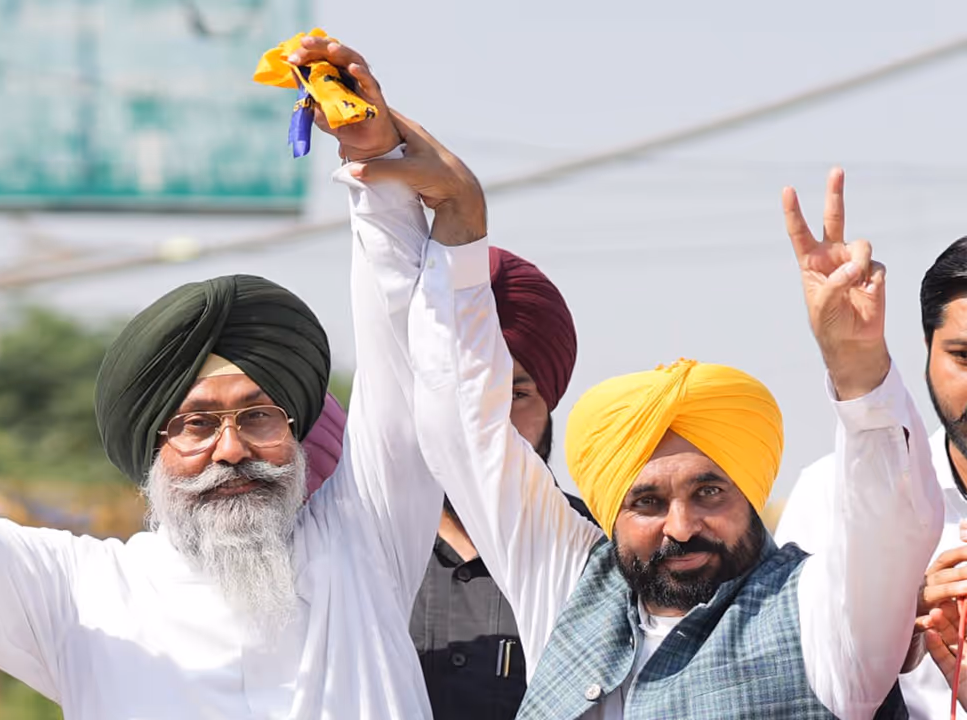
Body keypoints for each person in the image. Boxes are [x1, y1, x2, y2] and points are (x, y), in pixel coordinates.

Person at [0, 37, 476, 719]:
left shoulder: (364, 539)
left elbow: (402, 367)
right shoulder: (81, 594)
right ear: (152, 449)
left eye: (261, 417)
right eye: (197, 424)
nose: (233, 449)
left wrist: (374, 170)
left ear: (298, 433)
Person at [337, 100, 942, 716]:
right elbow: (463, 427)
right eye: (647, 502)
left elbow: (891, 524)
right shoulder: (574, 580)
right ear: (609, 508)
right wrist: (449, 215)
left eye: (710, 493)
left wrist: (858, 369)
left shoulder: (821, 617)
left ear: (750, 487)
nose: (680, 528)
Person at [778, 235, 967, 718]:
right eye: (964, 357)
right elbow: (783, 680)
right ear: (927, 349)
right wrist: (888, 620)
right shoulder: (829, 493)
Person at [408, 245, 594, 719]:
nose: (487, 425)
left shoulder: (597, 558)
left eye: (515, 394)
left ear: (550, 407)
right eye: (463, 396)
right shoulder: (369, 554)